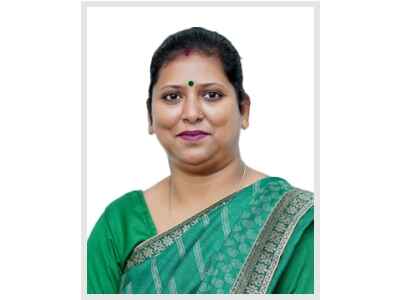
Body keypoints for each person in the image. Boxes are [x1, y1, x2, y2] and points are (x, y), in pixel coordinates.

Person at [87, 27, 314, 294]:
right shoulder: (119, 224)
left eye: (211, 95)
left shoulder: (291, 220)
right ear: (150, 116)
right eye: (172, 97)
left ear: (244, 110)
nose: (192, 113)